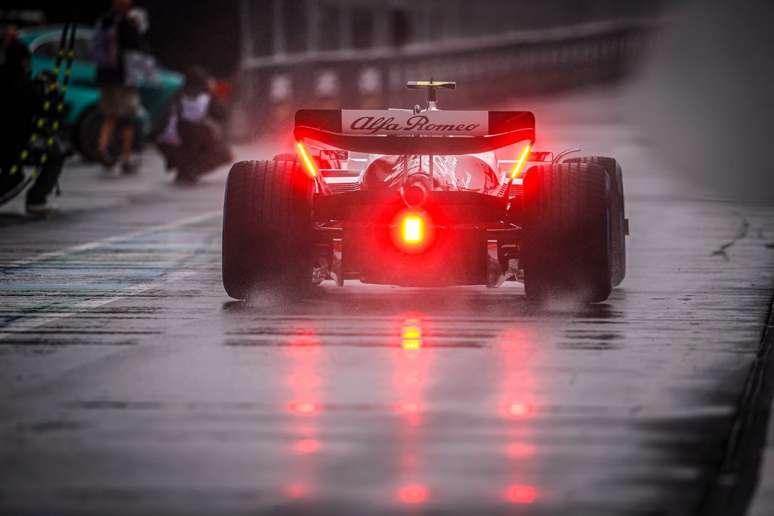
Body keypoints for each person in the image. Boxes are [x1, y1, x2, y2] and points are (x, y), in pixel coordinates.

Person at [0, 39, 65, 215]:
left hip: (6, 143)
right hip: (19, 142)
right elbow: (51, 111)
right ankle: (36, 200)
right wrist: (53, 91)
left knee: (12, 172)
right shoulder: (27, 86)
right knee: (57, 153)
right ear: (24, 60)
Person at [157, 66, 233, 183]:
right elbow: (222, 115)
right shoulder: (206, 96)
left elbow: (164, 116)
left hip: (171, 138)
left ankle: (185, 168)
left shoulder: (177, 94)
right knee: (225, 154)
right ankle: (192, 169)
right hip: (197, 136)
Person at [93, 0, 142, 174]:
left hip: (105, 76)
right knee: (128, 118)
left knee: (110, 115)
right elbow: (136, 46)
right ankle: (126, 158)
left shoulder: (104, 21)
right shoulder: (127, 23)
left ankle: (102, 147)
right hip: (123, 77)